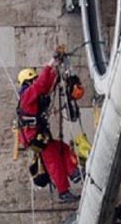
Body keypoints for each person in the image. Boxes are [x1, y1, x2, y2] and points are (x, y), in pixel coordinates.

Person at [15, 59, 82, 201]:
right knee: (54, 161)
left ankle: (73, 172)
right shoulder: (27, 95)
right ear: (27, 82)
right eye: (33, 79)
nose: (35, 81)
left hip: (39, 134)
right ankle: (63, 192)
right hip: (35, 136)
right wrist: (50, 64)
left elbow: (45, 87)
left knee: (63, 148)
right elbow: (40, 85)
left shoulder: (32, 94)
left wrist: (54, 71)